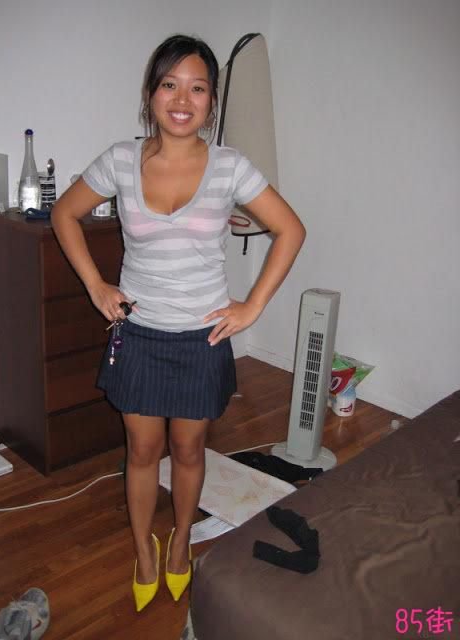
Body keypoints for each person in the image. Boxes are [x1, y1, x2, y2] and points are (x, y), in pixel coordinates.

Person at [51, 34, 306, 612]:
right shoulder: (120, 160)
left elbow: (290, 229)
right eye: (170, 84)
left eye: (198, 88)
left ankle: (181, 539)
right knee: (142, 451)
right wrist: (96, 285)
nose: (183, 99)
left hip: (201, 337)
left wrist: (252, 306)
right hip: (140, 334)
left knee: (189, 452)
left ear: (211, 101)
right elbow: (65, 213)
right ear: (152, 92)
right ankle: (144, 549)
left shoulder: (229, 166)